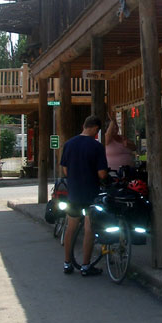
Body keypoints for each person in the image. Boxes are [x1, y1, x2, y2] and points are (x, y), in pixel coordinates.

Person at [59, 115, 108, 276]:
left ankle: (67, 263)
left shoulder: (69, 144)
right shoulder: (97, 147)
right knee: (89, 228)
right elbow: (101, 173)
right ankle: (86, 266)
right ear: (95, 129)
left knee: (71, 228)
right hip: (91, 194)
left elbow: (65, 170)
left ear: (84, 125)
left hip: (73, 192)